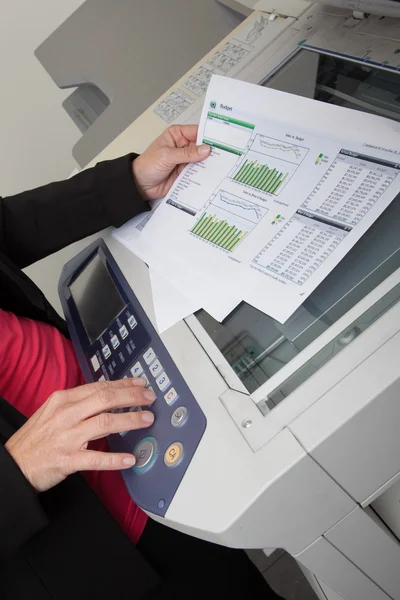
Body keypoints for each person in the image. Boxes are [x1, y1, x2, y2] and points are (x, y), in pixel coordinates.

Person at [0, 124, 282, 600]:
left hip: (141, 429)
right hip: (93, 549)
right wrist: (16, 469)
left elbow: (7, 225)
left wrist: (128, 182)